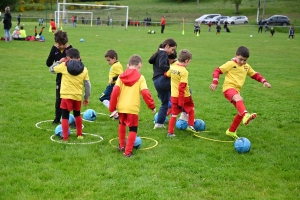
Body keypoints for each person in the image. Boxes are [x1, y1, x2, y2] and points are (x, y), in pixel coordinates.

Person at [209, 46, 271, 139]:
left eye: (244, 60)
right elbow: (217, 70)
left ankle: (231, 131)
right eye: (240, 59)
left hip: (236, 91)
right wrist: (215, 82)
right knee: (239, 100)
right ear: (235, 55)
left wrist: (264, 81)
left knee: (240, 111)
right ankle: (246, 115)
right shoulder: (230, 64)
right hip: (228, 88)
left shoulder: (246, 66)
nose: (242, 62)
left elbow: (254, 74)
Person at [109, 54, 156, 157]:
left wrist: (112, 108)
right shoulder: (141, 78)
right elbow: (145, 93)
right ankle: (127, 152)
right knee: (133, 129)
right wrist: (152, 106)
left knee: (122, 124)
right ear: (140, 65)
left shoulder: (121, 77)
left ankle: (122, 146)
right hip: (132, 108)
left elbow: (114, 92)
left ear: (127, 65)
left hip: (121, 107)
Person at [49, 48, 91, 141]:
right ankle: (79, 135)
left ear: (67, 58)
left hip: (66, 96)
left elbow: (51, 69)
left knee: (65, 116)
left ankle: (65, 137)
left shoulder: (64, 65)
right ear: (79, 58)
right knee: (77, 115)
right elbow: (88, 85)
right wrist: (86, 97)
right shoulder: (84, 69)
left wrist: (59, 62)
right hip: (77, 96)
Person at [165, 49, 198, 137]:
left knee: (174, 114)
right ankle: (190, 125)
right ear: (186, 61)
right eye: (189, 62)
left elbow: (167, 74)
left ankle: (170, 132)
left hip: (173, 96)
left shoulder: (173, 68)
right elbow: (182, 86)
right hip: (184, 96)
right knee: (191, 108)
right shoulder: (184, 71)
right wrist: (181, 101)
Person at [149, 38, 177, 129]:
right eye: (172, 49)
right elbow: (162, 65)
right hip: (162, 80)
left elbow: (150, 60)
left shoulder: (159, 53)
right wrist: (173, 69)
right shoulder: (163, 53)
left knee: (164, 104)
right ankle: (185, 115)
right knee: (185, 90)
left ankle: (158, 124)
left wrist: (159, 51)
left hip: (156, 82)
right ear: (167, 46)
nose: (172, 52)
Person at [46, 30, 73, 124]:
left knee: (69, 99)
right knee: (59, 100)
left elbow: (77, 62)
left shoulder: (69, 49)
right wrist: (53, 49)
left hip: (70, 79)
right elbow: (48, 63)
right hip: (60, 79)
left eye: (63, 44)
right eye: (59, 44)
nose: (62, 46)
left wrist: (70, 49)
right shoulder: (55, 50)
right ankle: (57, 118)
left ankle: (71, 119)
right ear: (56, 42)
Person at [99, 49, 124, 119]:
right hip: (113, 85)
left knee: (102, 97)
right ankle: (117, 113)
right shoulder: (116, 64)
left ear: (114, 58)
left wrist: (113, 78)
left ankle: (115, 113)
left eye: (109, 60)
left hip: (114, 86)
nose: (108, 62)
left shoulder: (116, 66)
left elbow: (121, 75)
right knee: (112, 99)